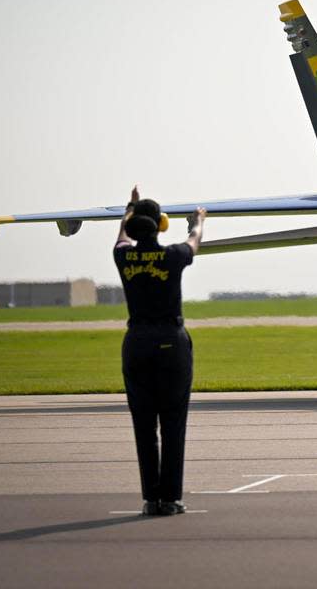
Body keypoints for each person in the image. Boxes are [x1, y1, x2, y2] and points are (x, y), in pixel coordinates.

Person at [114, 185, 206, 516]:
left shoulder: (123, 255)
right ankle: (171, 499)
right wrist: (198, 221)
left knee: (143, 425)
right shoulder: (173, 256)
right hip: (171, 344)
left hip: (136, 343)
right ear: (161, 224)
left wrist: (130, 207)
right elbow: (195, 240)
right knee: (173, 423)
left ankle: (150, 499)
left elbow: (122, 235)